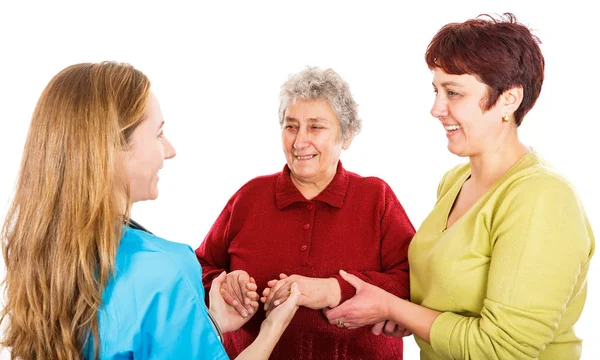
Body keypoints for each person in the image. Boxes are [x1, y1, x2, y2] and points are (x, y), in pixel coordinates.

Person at [323, 13, 595, 360]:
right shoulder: (454, 182)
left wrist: (396, 309)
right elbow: (446, 299)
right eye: (436, 91)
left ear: (509, 100)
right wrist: (405, 314)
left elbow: (503, 349)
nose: (436, 108)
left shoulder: (542, 198)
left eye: (453, 93)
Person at [0, 61, 301, 360]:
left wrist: (206, 324)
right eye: (158, 133)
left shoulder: (41, 255)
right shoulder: (163, 268)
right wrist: (273, 326)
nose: (169, 150)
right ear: (112, 148)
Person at [195, 67, 415, 359]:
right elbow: (198, 270)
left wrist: (333, 290)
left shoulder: (376, 197)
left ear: (346, 135)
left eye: (315, 127)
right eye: (291, 126)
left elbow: (412, 281)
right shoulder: (250, 197)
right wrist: (225, 285)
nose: (299, 142)